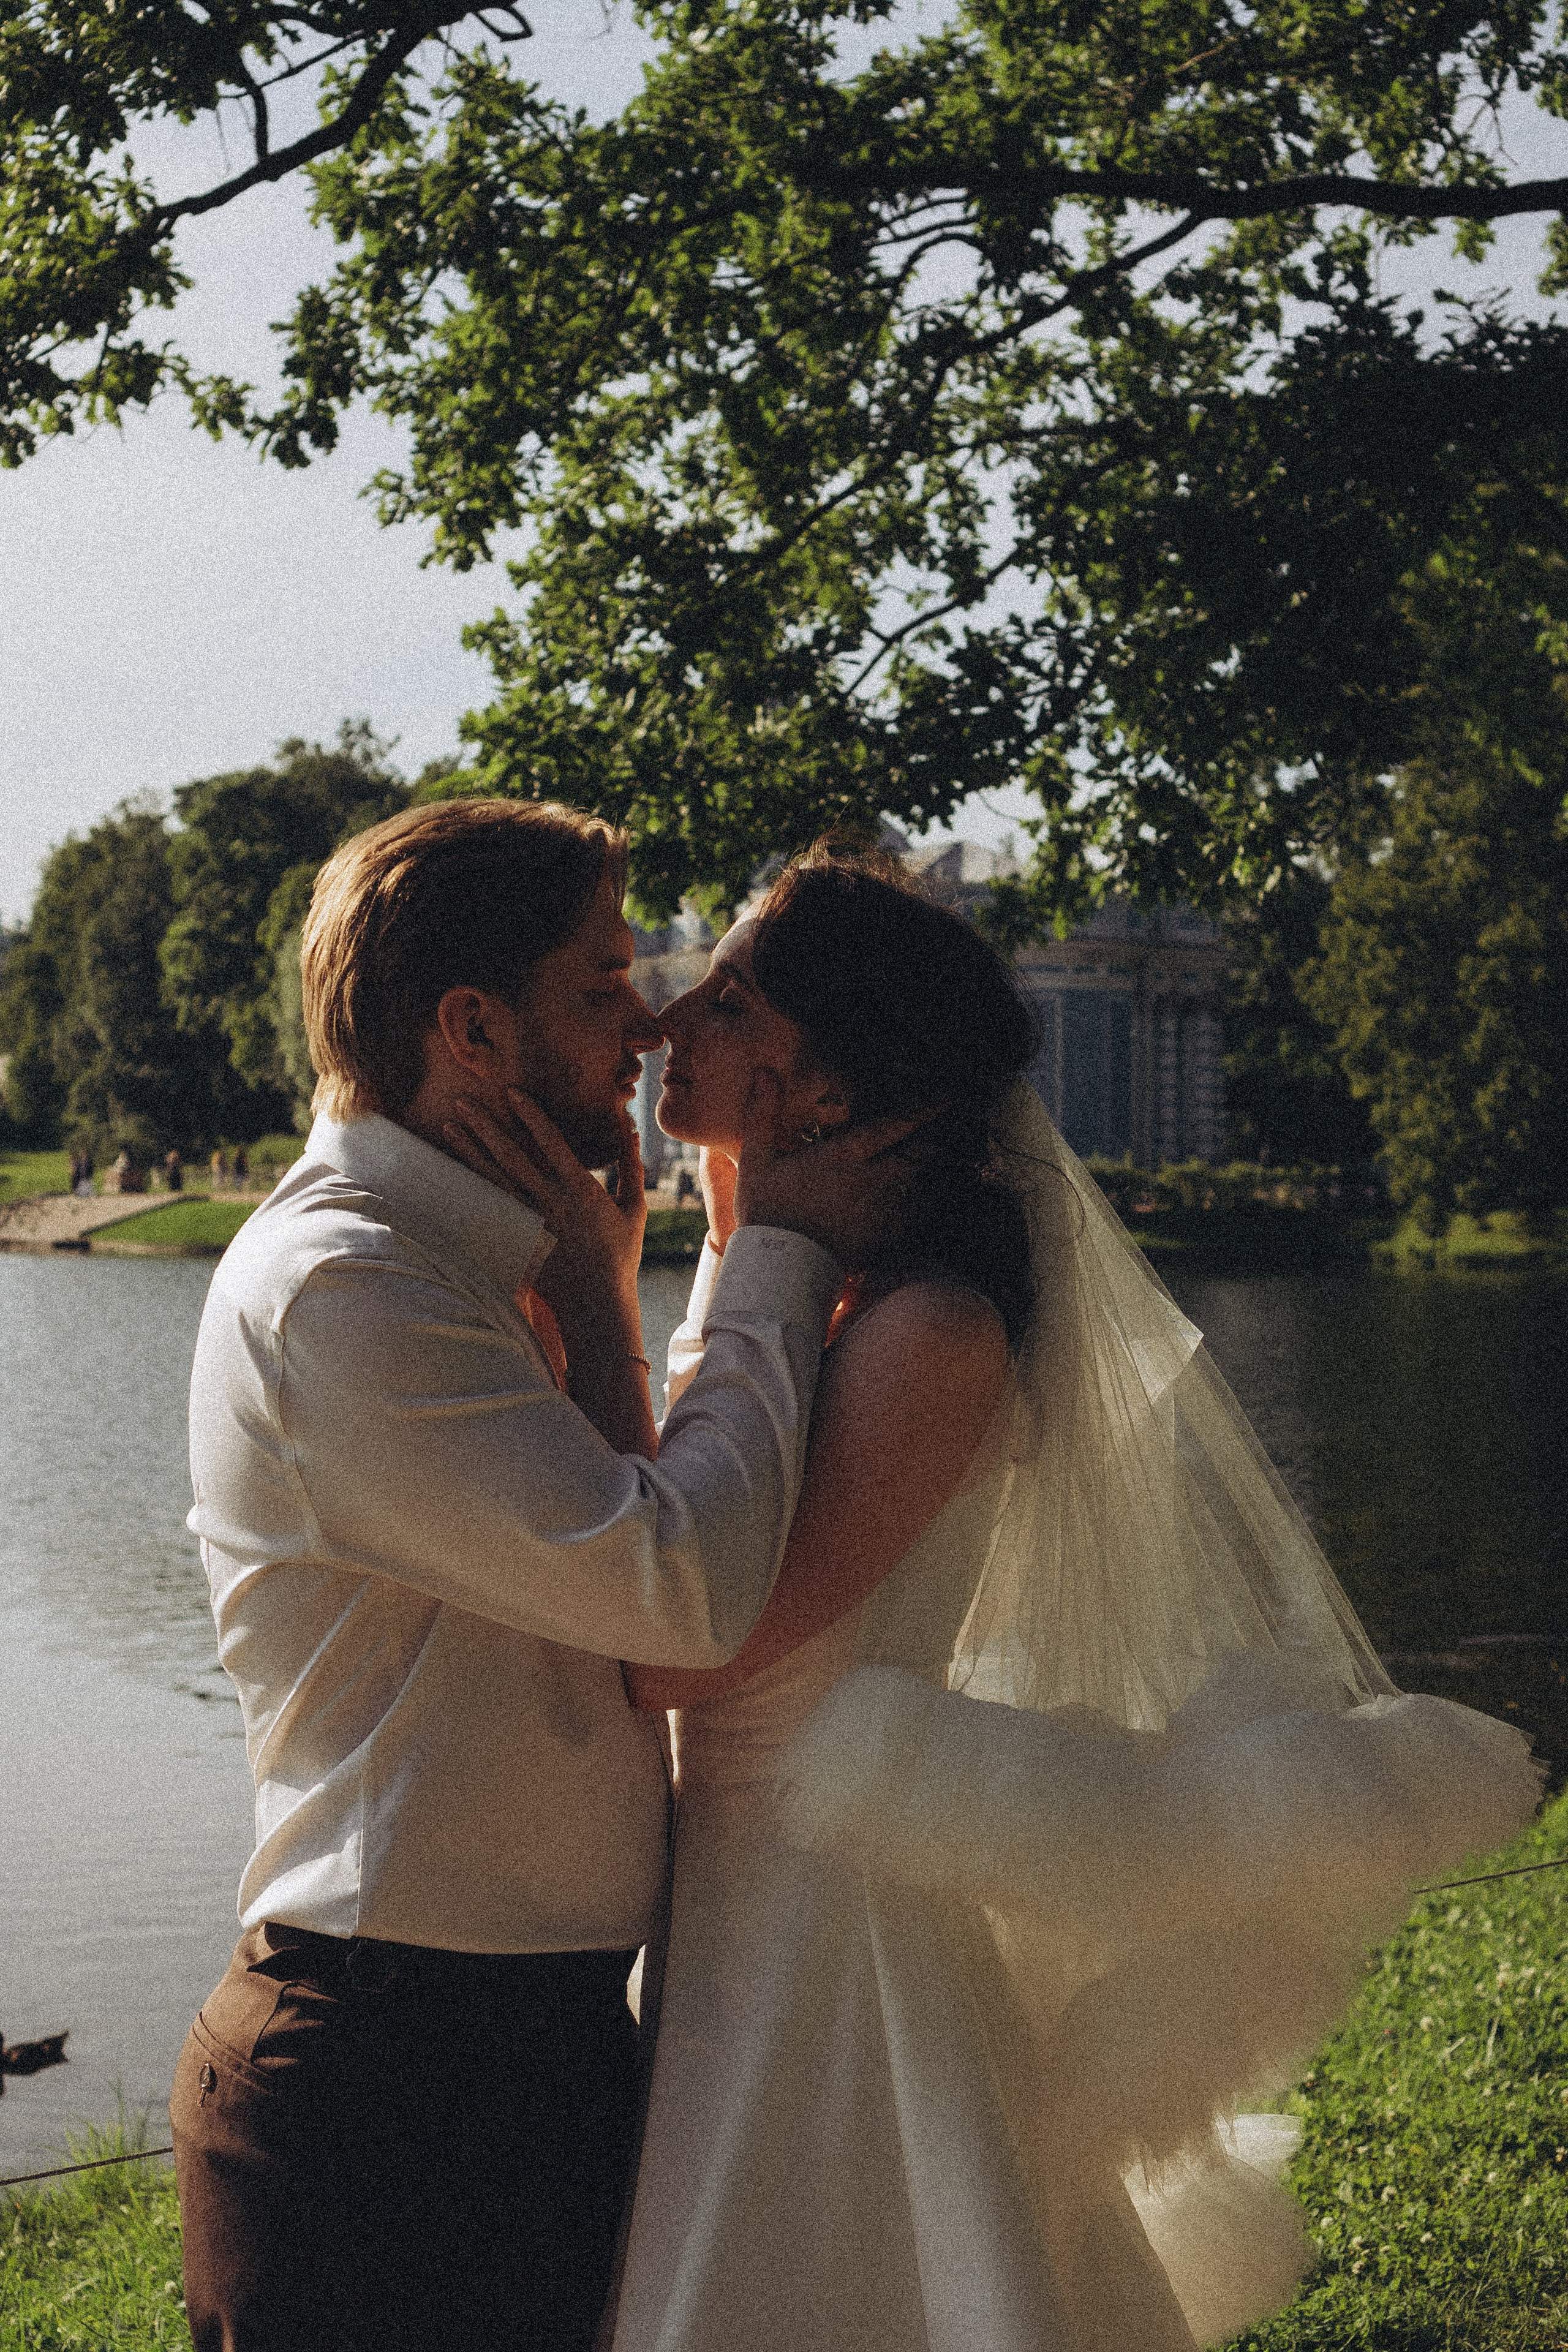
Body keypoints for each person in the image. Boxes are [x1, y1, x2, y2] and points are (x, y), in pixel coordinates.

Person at [462, 843, 1543, 2352]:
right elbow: (672, 1525)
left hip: (833, 1922)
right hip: (740, 1894)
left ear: (826, 1082)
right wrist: (673, 1258)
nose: (663, 1019)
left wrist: (597, 1298)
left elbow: (679, 1656)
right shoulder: (787, 1282)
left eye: (727, 995)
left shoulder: (927, 1333)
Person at [169, 800, 912, 2352]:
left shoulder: (464, 1266)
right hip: (387, 2083)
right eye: (600, 984)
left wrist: (594, 1284)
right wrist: (768, 1246)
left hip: (520, 2045)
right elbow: (680, 1592)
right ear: (471, 1028)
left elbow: (626, 1551)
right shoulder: (349, 1290)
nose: (648, 1023)